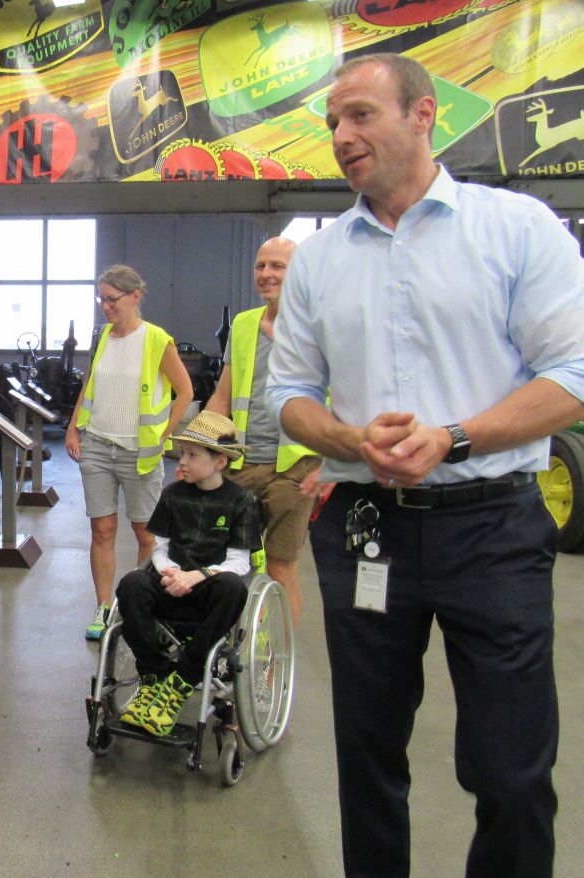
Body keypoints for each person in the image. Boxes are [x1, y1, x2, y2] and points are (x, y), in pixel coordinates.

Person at [267, 52, 584, 878]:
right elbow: (291, 394)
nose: (341, 135)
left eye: (360, 114)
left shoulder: (515, 229)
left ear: (422, 115)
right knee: (368, 761)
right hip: (367, 528)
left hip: (495, 527)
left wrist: (454, 437)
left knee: (513, 774)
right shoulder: (323, 257)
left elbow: (574, 379)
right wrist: (349, 441)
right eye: (333, 121)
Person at [65, 264, 195, 641]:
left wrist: (164, 435)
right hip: (97, 447)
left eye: (112, 299)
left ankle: (140, 607)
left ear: (135, 296)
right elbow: (89, 384)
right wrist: (74, 427)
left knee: (146, 533)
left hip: (139, 453)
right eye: (101, 299)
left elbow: (184, 393)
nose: (105, 306)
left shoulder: (157, 340)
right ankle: (105, 607)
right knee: (101, 529)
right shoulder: (102, 336)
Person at [115, 411, 262, 736]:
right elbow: (159, 548)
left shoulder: (242, 502)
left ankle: (184, 676)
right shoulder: (172, 495)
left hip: (210, 596)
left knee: (233, 587)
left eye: (192, 455)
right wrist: (170, 573)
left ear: (220, 461)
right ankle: (155, 674)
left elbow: (240, 562)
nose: (182, 461)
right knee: (131, 583)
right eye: (182, 453)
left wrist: (196, 576)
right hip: (170, 584)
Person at [204, 235, 321, 627]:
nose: (266, 274)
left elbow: (344, 398)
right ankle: (226, 645)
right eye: (260, 265)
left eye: (277, 266)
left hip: (294, 469)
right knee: (225, 558)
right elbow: (224, 394)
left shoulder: (318, 324)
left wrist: (334, 464)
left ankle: (274, 658)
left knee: (281, 567)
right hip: (240, 464)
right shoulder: (243, 323)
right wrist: (200, 451)